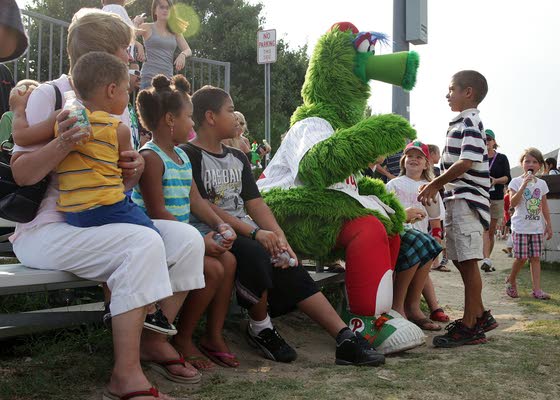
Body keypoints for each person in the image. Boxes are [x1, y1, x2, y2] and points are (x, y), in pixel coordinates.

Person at [10, 9, 204, 399]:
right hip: (45, 230)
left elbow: (113, 177)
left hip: (99, 219)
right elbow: (22, 174)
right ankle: (125, 375)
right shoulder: (50, 95)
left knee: (186, 241)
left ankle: (149, 338)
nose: (132, 58)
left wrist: (128, 170)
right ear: (102, 53)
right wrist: (62, 141)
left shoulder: (115, 98)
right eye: (126, 49)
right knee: (141, 242)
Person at [182, 85, 385, 367]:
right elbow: (205, 206)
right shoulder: (189, 154)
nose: (236, 118)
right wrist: (256, 232)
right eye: (230, 110)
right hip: (214, 231)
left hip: (244, 228)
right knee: (257, 252)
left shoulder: (238, 157)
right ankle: (261, 327)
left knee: (285, 257)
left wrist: (278, 235)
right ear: (210, 117)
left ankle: (344, 337)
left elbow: (255, 204)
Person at [133, 74, 239, 370]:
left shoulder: (180, 154)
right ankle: (169, 337)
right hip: (161, 239)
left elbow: (196, 200)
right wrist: (199, 239)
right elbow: (156, 214)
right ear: (170, 119)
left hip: (184, 237)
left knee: (227, 262)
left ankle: (192, 335)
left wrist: (220, 226)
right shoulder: (151, 157)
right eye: (189, 117)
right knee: (214, 268)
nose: (193, 124)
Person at [418, 70, 498, 347]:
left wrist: (434, 184)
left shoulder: (471, 122)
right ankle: (479, 315)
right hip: (458, 198)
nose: (447, 94)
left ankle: (469, 327)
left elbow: (465, 162)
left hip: (467, 199)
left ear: (469, 92)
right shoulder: (461, 121)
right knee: (462, 261)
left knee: (468, 262)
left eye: (452, 89)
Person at [385, 141, 446, 331]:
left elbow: (436, 218)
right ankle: (400, 306)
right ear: (403, 161)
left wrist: (437, 237)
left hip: (422, 238)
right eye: (410, 156)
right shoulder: (393, 184)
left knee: (429, 245)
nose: (413, 159)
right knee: (420, 245)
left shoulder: (430, 187)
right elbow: (387, 212)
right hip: (399, 236)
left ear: (427, 163)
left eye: (419, 157)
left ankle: (413, 306)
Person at [505, 148, 553, 300]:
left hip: (536, 227)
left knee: (536, 258)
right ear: (522, 164)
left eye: (534, 162)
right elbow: (512, 203)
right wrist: (523, 185)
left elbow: (544, 206)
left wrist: (548, 224)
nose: (530, 164)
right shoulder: (516, 182)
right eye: (527, 161)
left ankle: (537, 290)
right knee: (521, 258)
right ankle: (511, 280)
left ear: (539, 165)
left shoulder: (542, 184)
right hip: (520, 227)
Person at [138, 0, 192, 89]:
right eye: (162, 7)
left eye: (168, 8)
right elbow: (128, 36)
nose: (165, 10)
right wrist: (139, 45)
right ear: (155, 11)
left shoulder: (175, 31)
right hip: (149, 79)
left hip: (167, 80)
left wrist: (182, 55)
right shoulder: (147, 27)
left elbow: (188, 50)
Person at [480, 129, 511, 273]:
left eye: (489, 138)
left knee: (490, 231)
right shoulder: (477, 157)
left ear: (494, 142)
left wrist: (495, 181)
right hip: (479, 197)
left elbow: (507, 178)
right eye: (484, 138)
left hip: (496, 197)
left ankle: (487, 258)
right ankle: (485, 258)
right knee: (483, 230)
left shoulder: (502, 158)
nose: (486, 141)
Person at [427, 143, 450, 272]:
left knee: (435, 233)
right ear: (432, 154)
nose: (440, 157)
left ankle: (433, 261)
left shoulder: (430, 171)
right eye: (438, 154)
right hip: (435, 205)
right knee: (436, 233)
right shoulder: (436, 171)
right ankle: (434, 262)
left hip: (434, 205)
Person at [128, 61, 142, 150]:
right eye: (136, 73)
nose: (139, 77)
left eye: (140, 73)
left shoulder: (129, 105)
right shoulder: (116, 106)